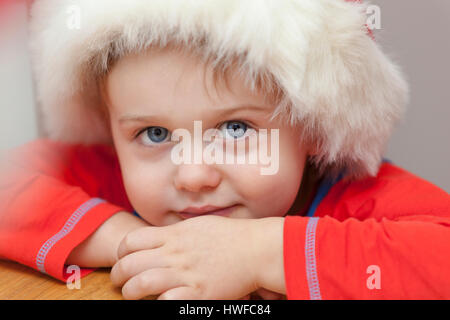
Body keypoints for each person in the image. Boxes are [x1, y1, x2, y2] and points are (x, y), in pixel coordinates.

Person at [1, 0, 449, 300]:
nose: (193, 174)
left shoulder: (360, 198)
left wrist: (260, 254)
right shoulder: (109, 174)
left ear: (313, 126)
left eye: (235, 128)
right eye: (155, 135)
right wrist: (139, 245)